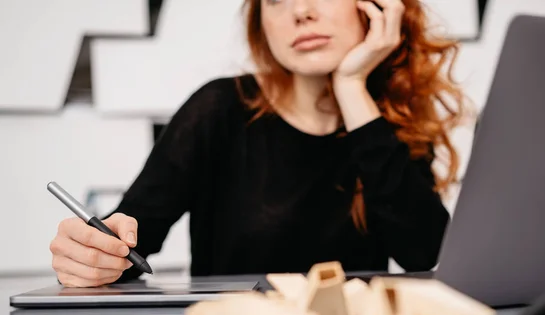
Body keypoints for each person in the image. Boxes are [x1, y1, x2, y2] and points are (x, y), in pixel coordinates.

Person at [49, 0, 467, 288]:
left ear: (376, 8)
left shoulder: (388, 120)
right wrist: (93, 255)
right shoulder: (219, 109)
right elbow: (129, 245)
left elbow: (422, 253)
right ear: (261, 24)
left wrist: (351, 85)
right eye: (276, 0)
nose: (301, 12)